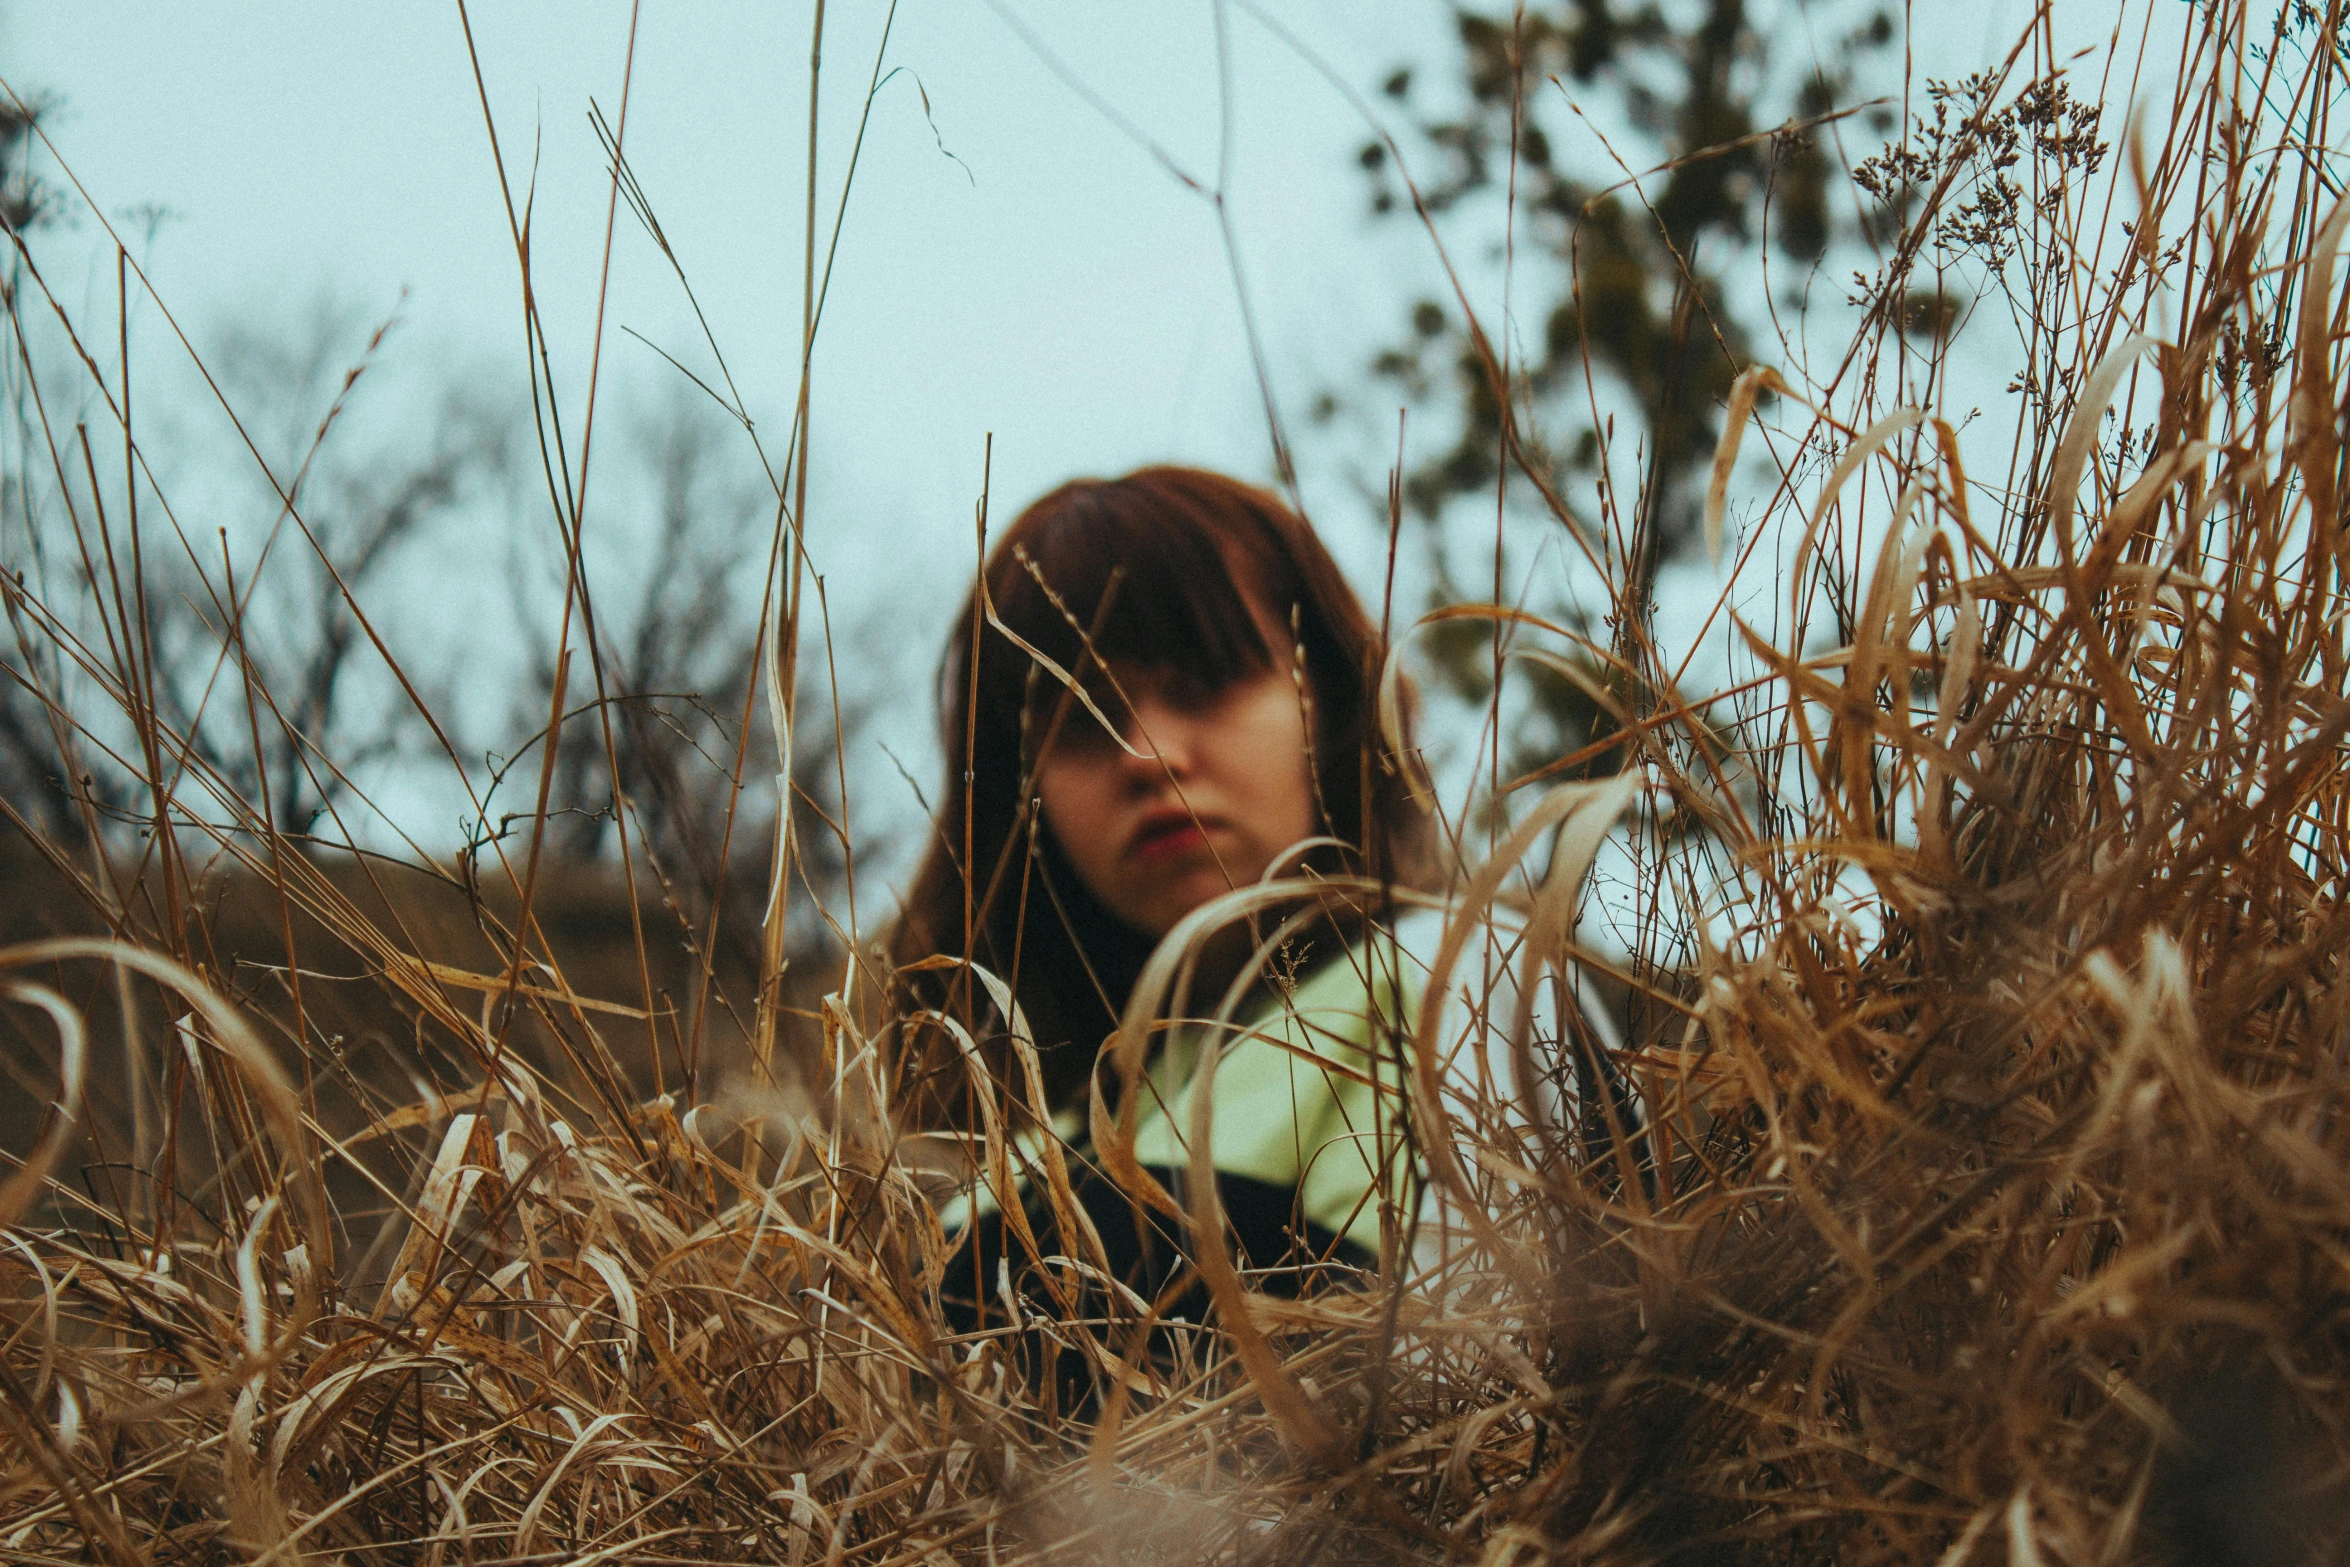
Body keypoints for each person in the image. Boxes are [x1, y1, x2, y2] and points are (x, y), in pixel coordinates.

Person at [874, 466, 1433, 1348]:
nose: (1144, 754)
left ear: (1326, 698)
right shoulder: (1035, 1141)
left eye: (1203, 684)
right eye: (1081, 719)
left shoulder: (1455, 983)